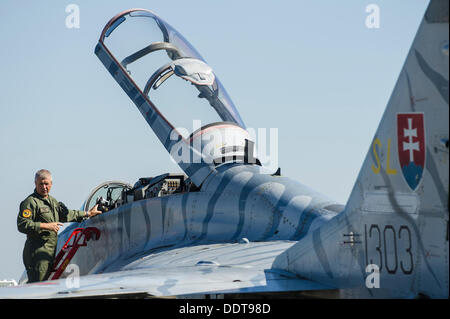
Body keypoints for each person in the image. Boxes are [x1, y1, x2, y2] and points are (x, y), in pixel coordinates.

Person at [17, 169, 101, 283]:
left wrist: (88, 213)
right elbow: (22, 224)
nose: (44, 187)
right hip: (37, 254)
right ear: (35, 184)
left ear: (51, 184)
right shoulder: (30, 202)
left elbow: (67, 214)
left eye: (46, 184)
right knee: (38, 288)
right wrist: (46, 226)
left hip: (49, 252)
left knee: (45, 285)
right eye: (41, 184)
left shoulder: (53, 202)